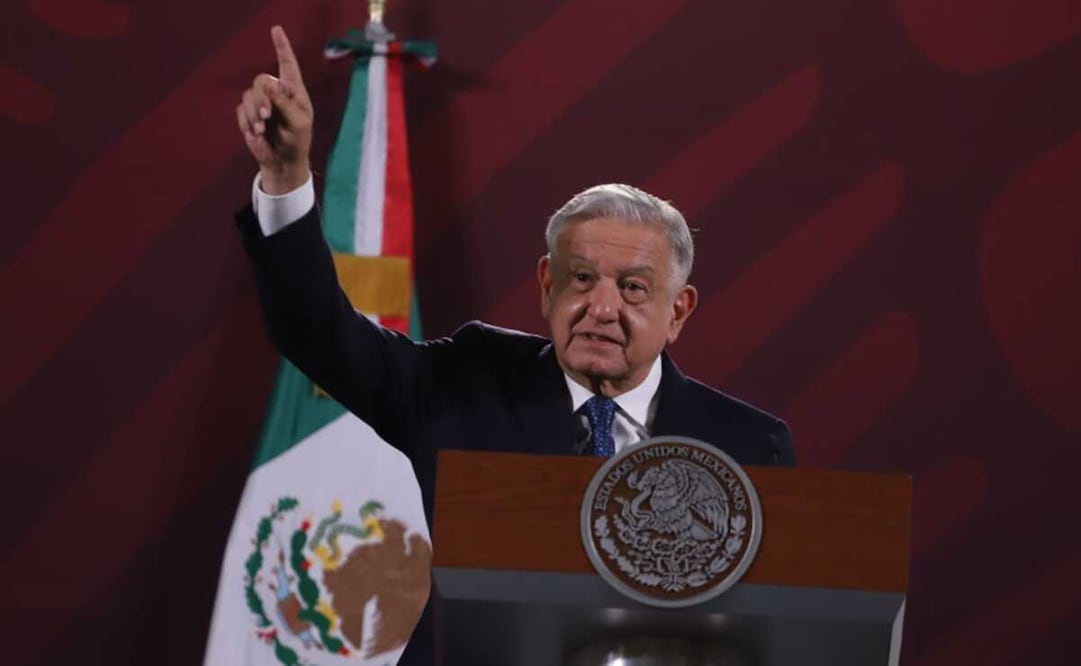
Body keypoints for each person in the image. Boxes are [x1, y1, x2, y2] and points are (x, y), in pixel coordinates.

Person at [235, 25, 794, 665]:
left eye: (634, 288)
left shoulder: (750, 447)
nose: (602, 308)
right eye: (581, 279)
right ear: (546, 286)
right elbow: (317, 332)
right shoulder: (467, 381)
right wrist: (285, 177)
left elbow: (775, 632)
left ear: (679, 312)